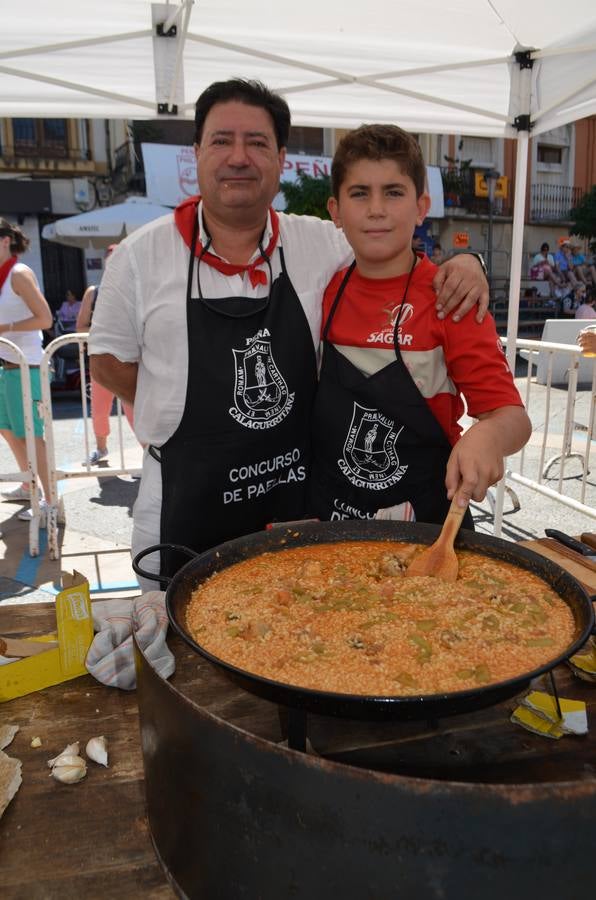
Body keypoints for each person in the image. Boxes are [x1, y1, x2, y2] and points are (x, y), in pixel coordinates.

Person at [89, 78, 489, 589]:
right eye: (221, 141)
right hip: (182, 509)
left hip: (296, 512)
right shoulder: (142, 257)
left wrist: (465, 261)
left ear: (280, 158)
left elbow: (391, 247)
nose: (239, 157)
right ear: (196, 154)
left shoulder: (321, 242)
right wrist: (185, 411)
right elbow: (107, 360)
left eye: (256, 143)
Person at [308, 124, 531, 526]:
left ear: (421, 206)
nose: (376, 209)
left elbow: (514, 418)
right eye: (360, 193)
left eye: (393, 192)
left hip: (427, 526)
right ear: (335, 211)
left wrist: (489, 435)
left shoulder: (452, 297)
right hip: (332, 523)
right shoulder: (322, 287)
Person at [0, 219, 53, 521]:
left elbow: (45, 319)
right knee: (8, 429)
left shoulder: (18, 274)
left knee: (32, 435)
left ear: (5, 240)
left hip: (27, 365)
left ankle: (50, 500)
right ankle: (28, 483)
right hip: (7, 366)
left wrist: (5, 328)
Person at [76, 245, 135, 464]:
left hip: (130, 360)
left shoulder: (136, 289)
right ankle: (101, 449)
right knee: (99, 410)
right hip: (102, 359)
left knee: (134, 410)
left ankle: (148, 454)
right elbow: (80, 326)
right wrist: (106, 332)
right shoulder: (94, 292)